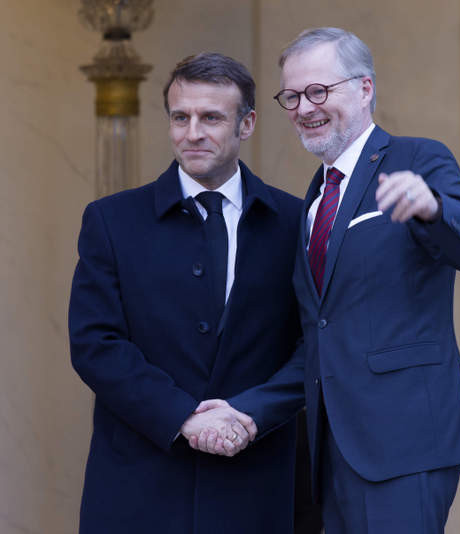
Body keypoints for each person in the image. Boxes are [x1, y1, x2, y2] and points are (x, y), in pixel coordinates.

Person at [239, 27, 460, 533]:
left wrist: (434, 208)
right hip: (331, 449)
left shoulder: (417, 159)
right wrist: (249, 410)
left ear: (364, 89)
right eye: (292, 96)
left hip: (405, 442)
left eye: (319, 91)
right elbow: (321, 334)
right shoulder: (315, 197)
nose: (304, 107)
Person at [68, 53, 304, 533]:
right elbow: (95, 343)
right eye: (181, 117)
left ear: (248, 123)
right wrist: (183, 417)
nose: (192, 132)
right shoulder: (112, 221)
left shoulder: (296, 222)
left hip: (257, 486)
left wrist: (251, 415)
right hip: (139, 485)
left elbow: (316, 346)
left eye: (211, 117)